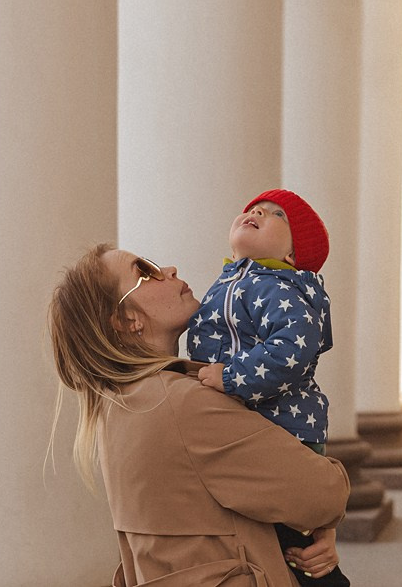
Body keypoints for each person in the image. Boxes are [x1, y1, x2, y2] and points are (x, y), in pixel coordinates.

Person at [48, 243, 350, 586]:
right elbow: (323, 493)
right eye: (144, 272)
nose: (170, 270)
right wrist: (321, 517)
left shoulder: (118, 406)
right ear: (126, 320)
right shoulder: (184, 404)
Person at [187, 190, 349, 587]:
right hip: (256, 427)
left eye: (276, 215)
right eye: (253, 207)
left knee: (296, 548)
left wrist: (229, 377)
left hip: (285, 429)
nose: (256, 211)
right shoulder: (231, 282)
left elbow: (292, 347)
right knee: (282, 545)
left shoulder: (278, 286)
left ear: (293, 255)